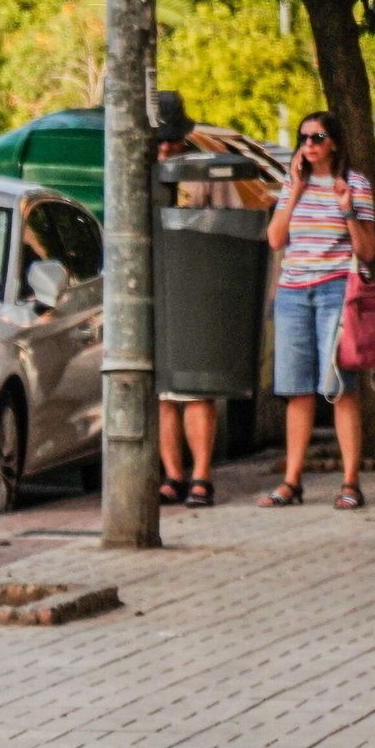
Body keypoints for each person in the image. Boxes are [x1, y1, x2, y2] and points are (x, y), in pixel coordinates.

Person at [260, 111, 375, 511]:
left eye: (317, 137)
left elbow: (366, 250)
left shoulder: (355, 184)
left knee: (340, 388)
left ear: (335, 143)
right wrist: (293, 190)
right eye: (303, 137)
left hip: (335, 293)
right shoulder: (292, 183)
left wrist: (346, 209)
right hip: (293, 294)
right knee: (297, 390)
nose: (308, 144)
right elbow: (275, 239)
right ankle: (292, 481)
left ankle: (350, 481)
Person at [153, 92, 221, 508]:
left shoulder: (204, 173)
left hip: (196, 287)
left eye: (172, 139)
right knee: (163, 391)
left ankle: (201, 475)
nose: (165, 146)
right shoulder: (137, 172)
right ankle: (172, 475)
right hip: (157, 289)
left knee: (197, 387)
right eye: (159, 139)